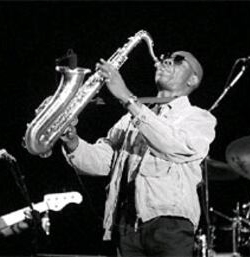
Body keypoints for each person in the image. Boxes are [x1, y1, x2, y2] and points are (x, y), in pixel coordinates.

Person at [61, 51, 217, 256]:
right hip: (126, 225)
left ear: (193, 79)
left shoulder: (198, 117)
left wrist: (127, 97)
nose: (166, 60)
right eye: (164, 57)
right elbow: (103, 162)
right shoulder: (130, 117)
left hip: (169, 225)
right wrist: (72, 141)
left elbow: (174, 146)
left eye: (178, 60)